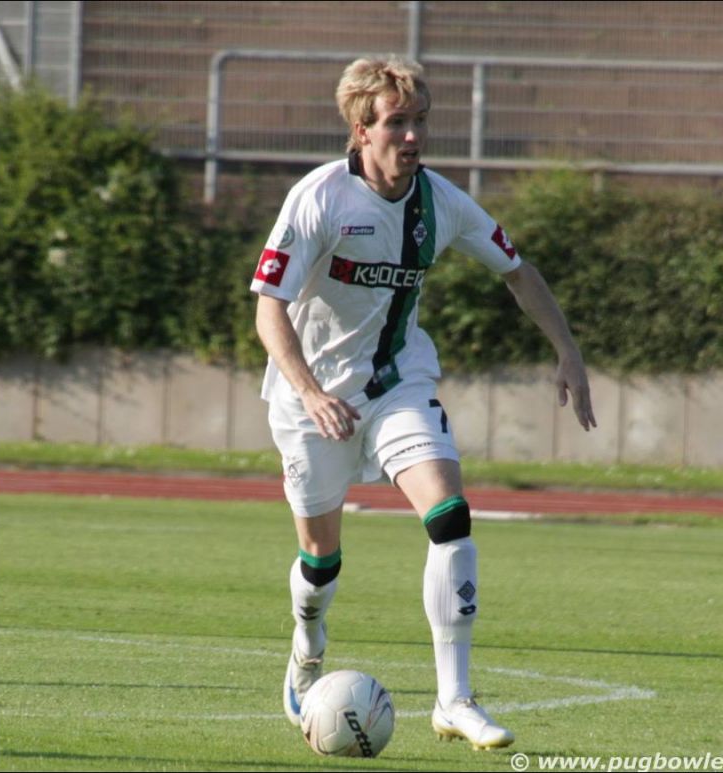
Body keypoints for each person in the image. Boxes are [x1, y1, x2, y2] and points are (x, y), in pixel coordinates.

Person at [251, 56, 597, 751]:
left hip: (398, 385)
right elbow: (269, 308)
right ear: (362, 130)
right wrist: (311, 392)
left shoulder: (442, 202)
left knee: (449, 515)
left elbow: (518, 272)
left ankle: (454, 698)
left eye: (420, 122)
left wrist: (567, 349)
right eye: (396, 123)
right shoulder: (318, 198)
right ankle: (308, 643)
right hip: (312, 398)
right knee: (320, 562)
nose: (412, 136)